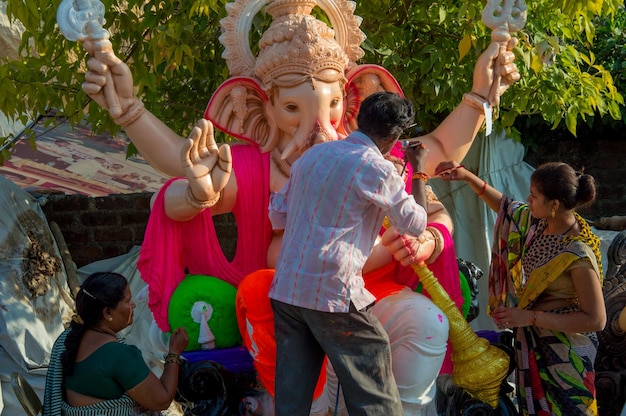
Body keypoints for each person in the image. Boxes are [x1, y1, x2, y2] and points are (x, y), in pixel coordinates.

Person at [77, 0, 520, 412]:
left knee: (426, 323)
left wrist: (482, 95)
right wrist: (139, 122)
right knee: (280, 329)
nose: (318, 126)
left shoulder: (370, 160)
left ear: (352, 100)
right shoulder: (259, 167)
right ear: (255, 106)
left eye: (331, 105)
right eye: (293, 108)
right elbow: (184, 173)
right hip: (297, 296)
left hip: (366, 294)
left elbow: (439, 151)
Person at [268, 91, 428, 416]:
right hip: (331, 292)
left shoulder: (311, 157)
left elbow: (277, 214)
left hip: (287, 290)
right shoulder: (377, 168)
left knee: (291, 400)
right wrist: (418, 171)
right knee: (373, 371)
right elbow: (415, 224)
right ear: (395, 137)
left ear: (359, 119)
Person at [435, 160, 607, 415]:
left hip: (565, 356)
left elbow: (596, 319)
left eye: (534, 196)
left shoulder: (577, 255)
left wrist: (529, 317)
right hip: (532, 344)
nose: (528, 199)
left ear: (555, 205)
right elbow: (506, 208)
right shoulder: (540, 224)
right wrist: (467, 177)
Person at [42, 272, 189, 415]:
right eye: (127, 301)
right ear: (107, 313)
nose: (133, 305)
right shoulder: (119, 355)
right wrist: (174, 352)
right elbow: (162, 401)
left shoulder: (69, 337)